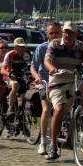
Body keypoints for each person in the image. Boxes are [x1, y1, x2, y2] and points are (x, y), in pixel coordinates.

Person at [44, 21, 83, 160]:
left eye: (71, 32)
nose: (67, 35)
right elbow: (47, 60)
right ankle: (53, 145)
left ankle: (82, 114)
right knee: (59, 109)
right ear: (63, 32)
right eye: (65, 32)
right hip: (57, 83)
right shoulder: (55, 44)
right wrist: (52, 68)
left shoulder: (80, 47)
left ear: (75, 34)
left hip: (73, 81)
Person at [30, 22, 61, 155]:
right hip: (45, 82)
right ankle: (42, 142)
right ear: (47, 34)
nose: (53, 35)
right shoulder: (42, 48)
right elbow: (33, 67)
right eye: (51, 33)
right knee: (47, 109)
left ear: (61, 33)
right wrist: (37, 77)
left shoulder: (64, 48)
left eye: (56, 33)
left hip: (60, 82)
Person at [2, 37, 27, 118]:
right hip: (10, 77)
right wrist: (9, 74)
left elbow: (31, 67)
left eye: (23, 46)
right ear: (15, 47)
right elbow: (2, 69)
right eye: (20, 46)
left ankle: (22, 113)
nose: (23, 48)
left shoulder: (27, 55)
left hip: (21, 77)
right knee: (16, 84)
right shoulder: (9, 55)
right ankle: (10, 108)